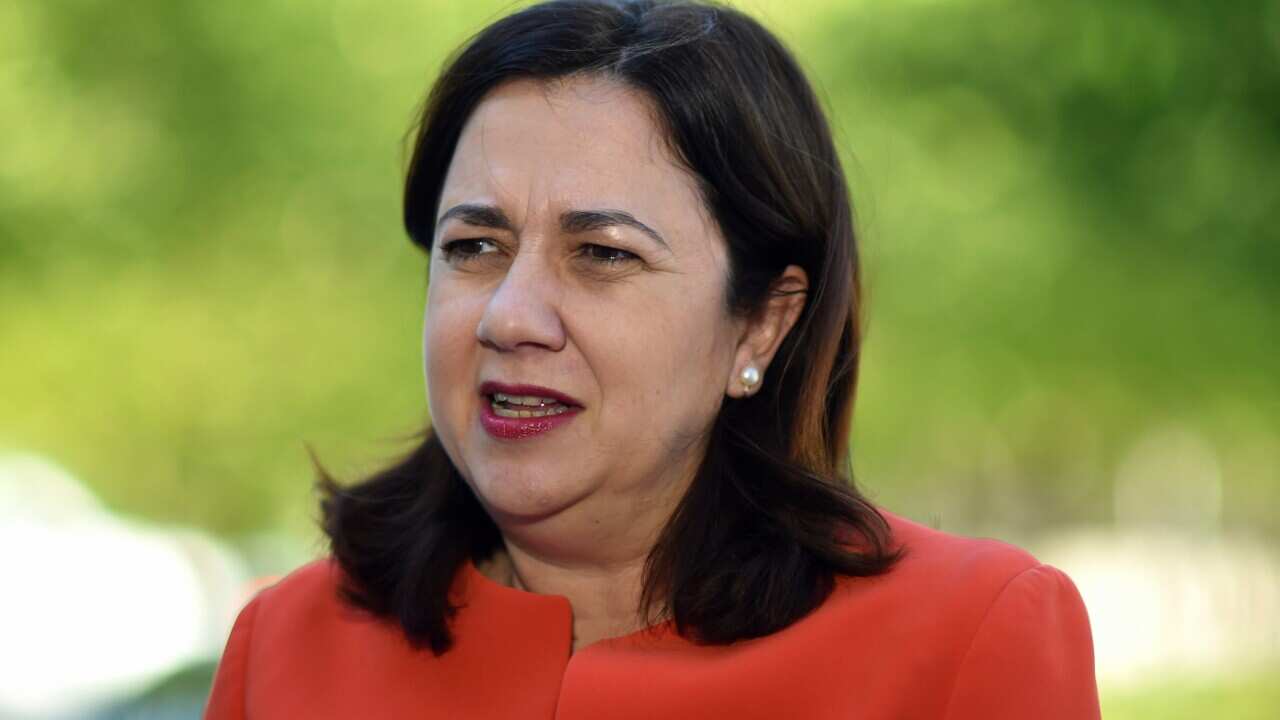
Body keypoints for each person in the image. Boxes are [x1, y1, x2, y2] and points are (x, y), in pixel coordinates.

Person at [204, 1, 1101, 717]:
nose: (511, 316)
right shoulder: (285, 647)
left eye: (602, 255)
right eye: (474, 245)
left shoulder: (970, 641)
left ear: (760, 325)